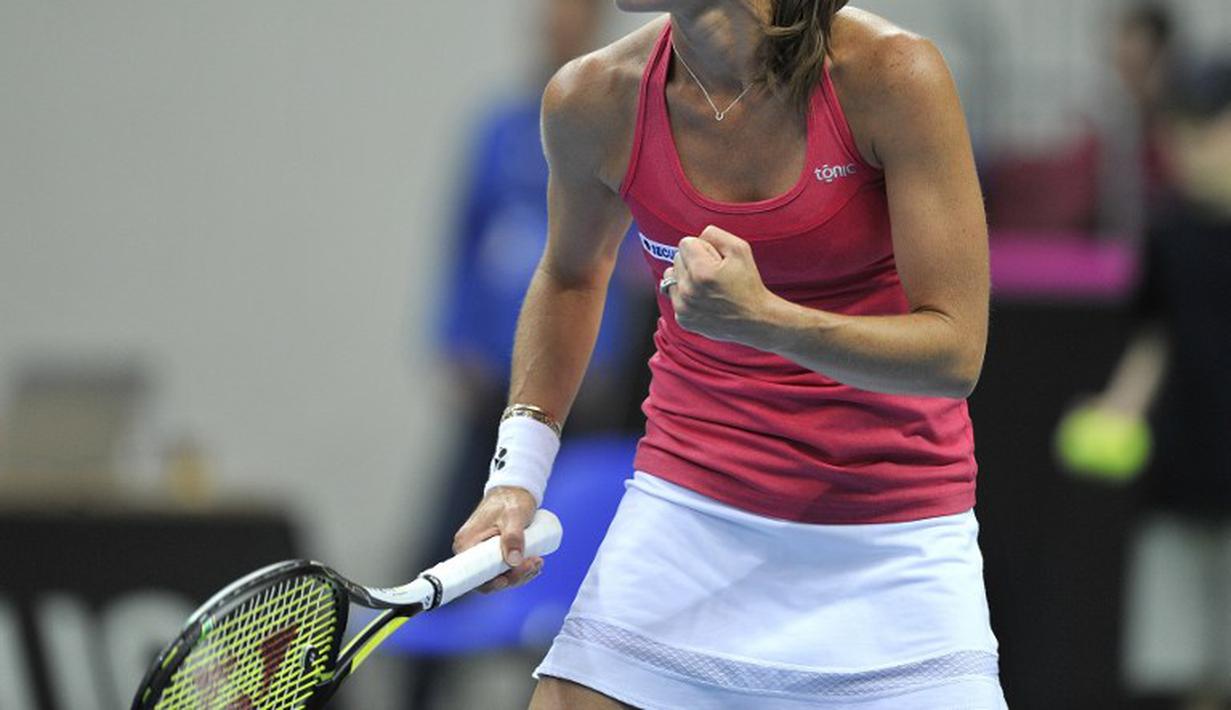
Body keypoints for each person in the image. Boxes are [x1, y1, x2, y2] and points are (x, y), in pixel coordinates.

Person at [453, 2, 1003, 708]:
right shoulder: (592, 97)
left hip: (894, 540)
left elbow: (954, 351)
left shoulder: (892, 75)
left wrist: (765, 320)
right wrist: (515, 477)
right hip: (685, 521)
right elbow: (569, 273)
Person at [1070, 59, 1231, 709]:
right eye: (1176, 135)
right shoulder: (1169, 235)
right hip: (1179, 477)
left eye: (1204, 132)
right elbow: (1154, 339)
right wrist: (1119, 407)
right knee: (1186, 669)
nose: (1186, 152)